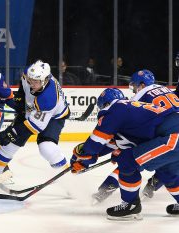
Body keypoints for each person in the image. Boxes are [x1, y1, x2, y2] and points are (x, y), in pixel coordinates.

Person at [70, 87, 179, 220]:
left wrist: (83, 158)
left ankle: (130, 205)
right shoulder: (129, 109)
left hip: (172, 138)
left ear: (104, 105)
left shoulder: (114, 110)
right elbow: (112, 143)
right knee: (168, 173)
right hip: (171, 135)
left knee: (127, 161)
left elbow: (95, 143)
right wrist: (90, 157)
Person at [92, 69, 179, 204]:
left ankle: (118, 196)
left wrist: (113, 150)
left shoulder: (137, 99)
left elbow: (123, 135)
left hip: (172, 136)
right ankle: (155, 182)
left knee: (130, 160)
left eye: (135, 86)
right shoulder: (165, 89)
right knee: (168, 170)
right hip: (170, 133)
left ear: (142, 85)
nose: (133, 90)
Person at [0, 60, 70, 189]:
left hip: (53, 117)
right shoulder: (29, 74)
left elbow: (33, 127)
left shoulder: (48, 98)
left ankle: (68, 181)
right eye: (30, 80)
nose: (32, 83)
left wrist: (10, 132)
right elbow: (24, 87)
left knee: (47, 148)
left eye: (36, 82)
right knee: (9, 145)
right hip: (31, 109)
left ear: (45, 80)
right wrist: (21, 99)